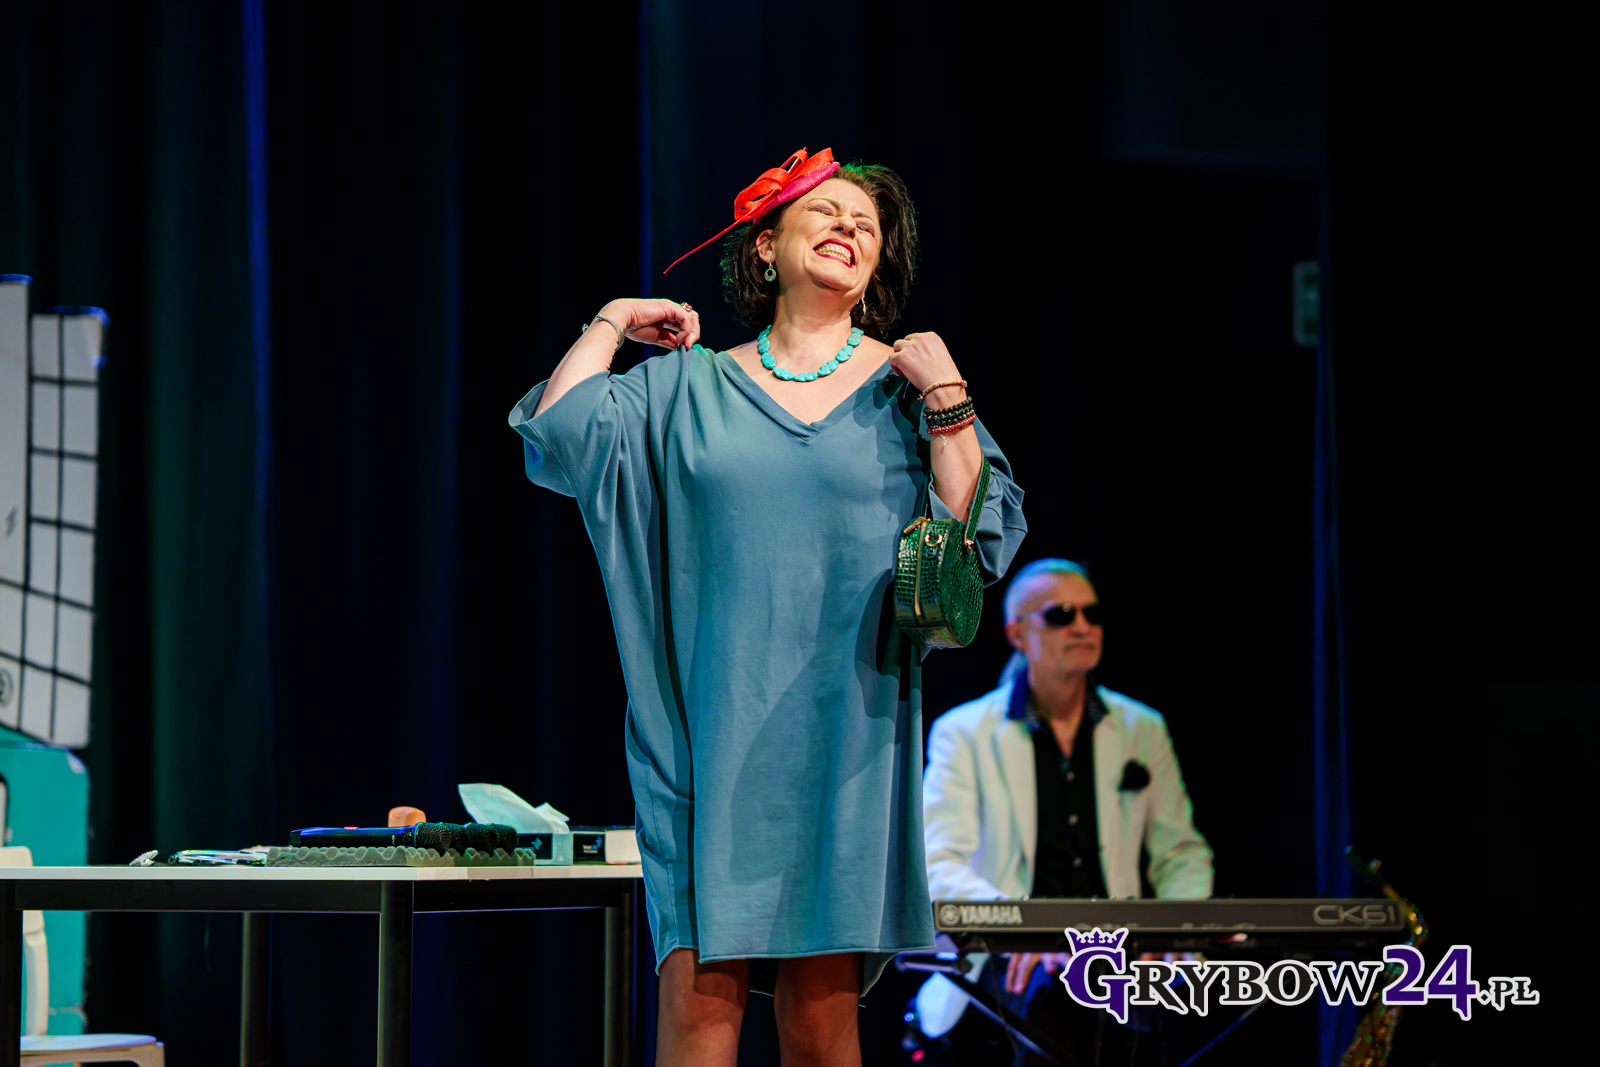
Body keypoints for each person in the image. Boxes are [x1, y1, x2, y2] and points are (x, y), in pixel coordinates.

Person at [508, 148, 1026, 1066]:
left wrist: (947, 396)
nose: (848, 228)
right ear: (764, 246)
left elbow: (976, 544)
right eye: (825, 212)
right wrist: (614, 319)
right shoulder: (687, 386)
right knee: (698, 1015)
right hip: (704, 740)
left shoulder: (904, 390)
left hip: (847, 740)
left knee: (823, 1028)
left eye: (866, 225)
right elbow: (563, 435)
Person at [918, 558, 1212, 1060]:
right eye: (1061, 615)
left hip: (1121, 953)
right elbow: (938, 863)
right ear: (1017, 634)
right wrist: (1023, 930)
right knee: (1055, 999)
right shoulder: (963, 733)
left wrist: (1172, 930)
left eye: (1092, 614)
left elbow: (1181, 852)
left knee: (1203, 1004)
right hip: (1011, 953)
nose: (1082, 627)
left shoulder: (1142, 727)